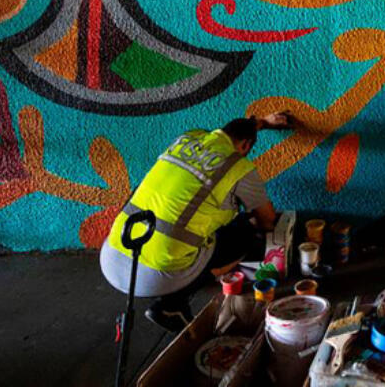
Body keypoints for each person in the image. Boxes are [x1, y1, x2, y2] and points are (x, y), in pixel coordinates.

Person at [99, 110, 291, 332]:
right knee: (246, 233)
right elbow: (267, 221)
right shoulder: (238, 167)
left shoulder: (186, 139)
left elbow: (234, 133)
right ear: (246, 147)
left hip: (113, 257)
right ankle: (172, 305)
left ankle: (174, 291)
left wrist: (262, 123)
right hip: (153, 278)